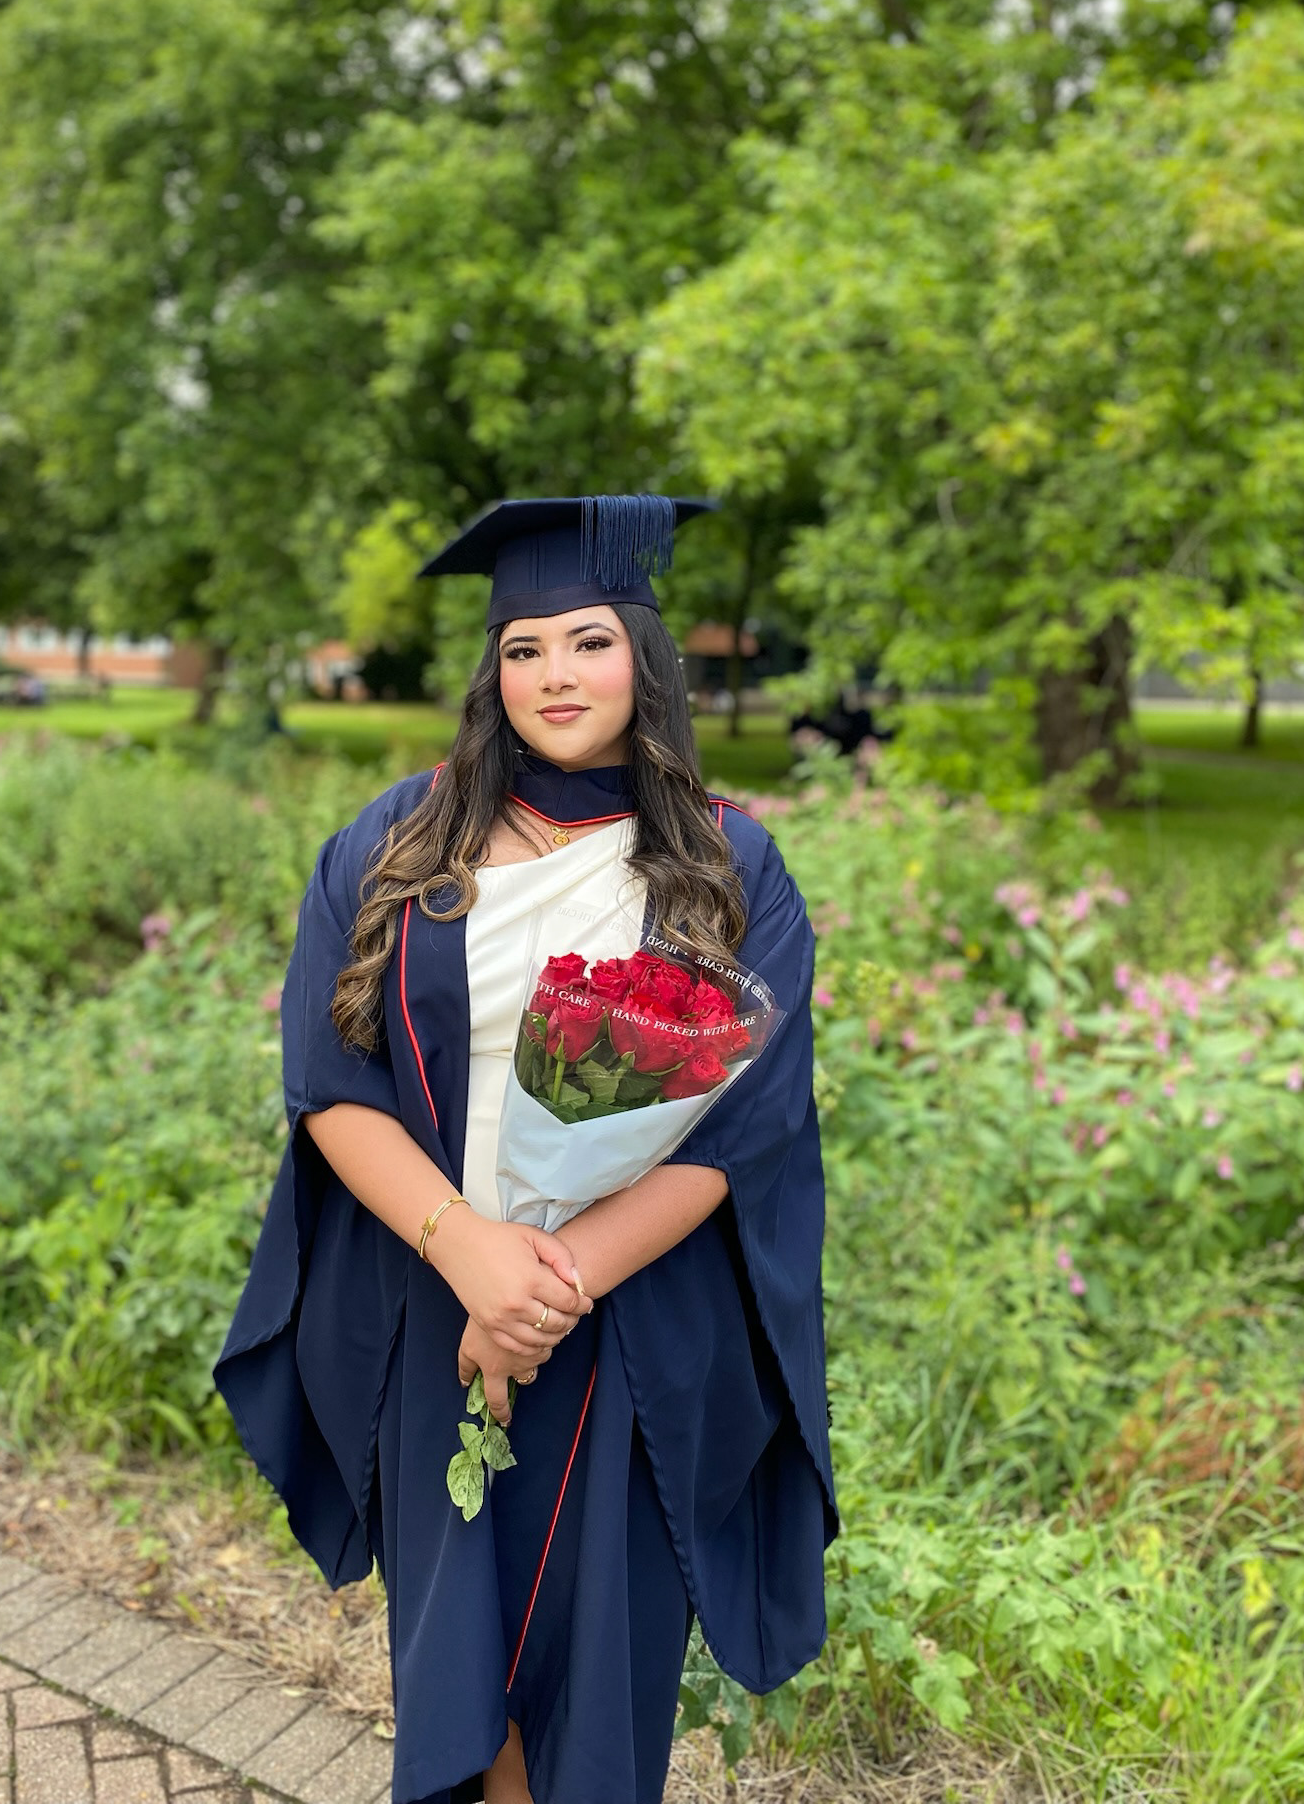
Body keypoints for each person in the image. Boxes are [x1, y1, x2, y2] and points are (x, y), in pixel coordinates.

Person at [214, 494, 839, 1804]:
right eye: (524, 648)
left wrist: (549, 1289)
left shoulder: (727, 863)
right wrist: (472, 1259)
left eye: (589, 641)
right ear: (492, 669)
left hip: (627, 1327)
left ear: (643, 658)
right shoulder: (401, 841)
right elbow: (331, 1083)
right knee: (462, 1659)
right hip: (435, 1302)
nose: (556, 674)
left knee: (598, 1669)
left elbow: (746, 1124)